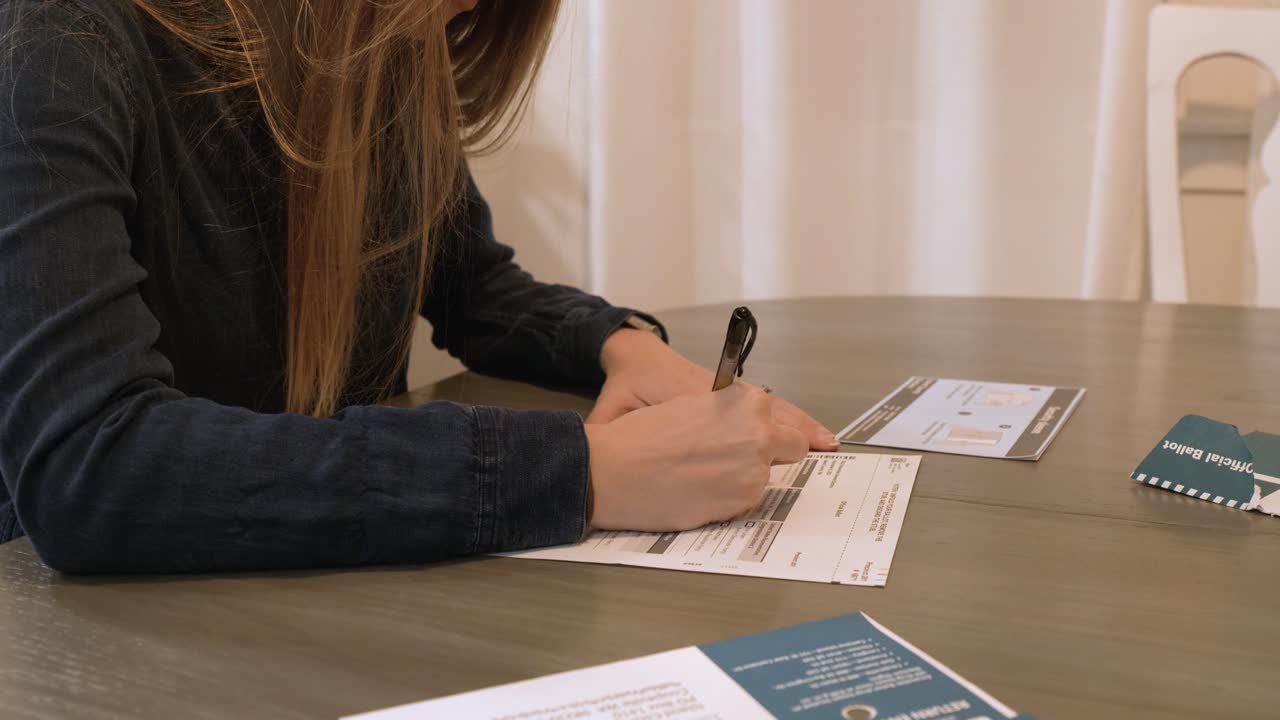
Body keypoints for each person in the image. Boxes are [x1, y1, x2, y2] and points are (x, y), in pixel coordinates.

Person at [0, 0, 839, 574]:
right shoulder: (61, 45)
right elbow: (93, 467)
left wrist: (620, 345)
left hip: (318, 594)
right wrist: (578, 472)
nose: (472, 10)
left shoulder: (385, 61)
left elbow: (474, 286)